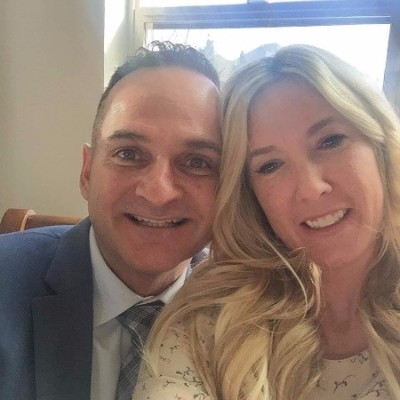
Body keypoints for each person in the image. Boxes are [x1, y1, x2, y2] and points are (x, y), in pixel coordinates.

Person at [132, 44, 400, 400]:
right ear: (251, 194)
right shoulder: (211, 317)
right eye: (270, 166)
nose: (310, 189)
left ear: (380, 146)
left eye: (330, 141)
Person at [0, 41, 221, 400]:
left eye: (197, 162)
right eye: (129, 154)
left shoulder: (249, 317)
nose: (158, 193)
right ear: (87, 172)